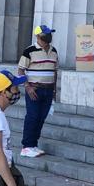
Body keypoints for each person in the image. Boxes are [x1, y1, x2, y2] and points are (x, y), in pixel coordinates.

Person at [17, 24, 58, 157]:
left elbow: (54, 71)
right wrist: (27, 86)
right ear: (38, 36)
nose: (48, 37)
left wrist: (54, 90)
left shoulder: (54, 51)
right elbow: (21, 69)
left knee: (41, 118)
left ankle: (33, 144)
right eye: (45, 35)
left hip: (48, 89)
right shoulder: (29, 51)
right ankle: (27, 145)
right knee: (32, 117)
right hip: (34, 89)